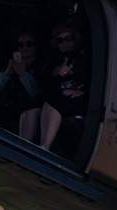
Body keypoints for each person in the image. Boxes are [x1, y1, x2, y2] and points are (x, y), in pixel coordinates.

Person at [21, 18, 90, 155]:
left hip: (78, 99)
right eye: (60, 40)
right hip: (57, 94)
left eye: (68, 38)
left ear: (75, 39)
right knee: (34, 102)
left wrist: (81, 91)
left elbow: (95, 83)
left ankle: (44, 147)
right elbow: (44, 83)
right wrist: (55, 72)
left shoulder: (85, 59)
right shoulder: (54, 60)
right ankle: (22, 144)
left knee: (54, 101)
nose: (64, 43)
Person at [0, 30, 41, 130]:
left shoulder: (41, 68)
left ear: (36, 47)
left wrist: (23, 75)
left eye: (29, 44)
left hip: (26, 122)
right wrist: (7, 73)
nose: (25, 48)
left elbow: (36, 95)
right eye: (20, 45)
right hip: (2, 118)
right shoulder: (10, 65)